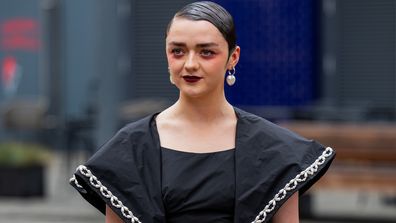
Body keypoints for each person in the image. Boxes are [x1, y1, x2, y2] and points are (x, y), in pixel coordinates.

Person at [69, 1, 335, 223]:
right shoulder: (130, 149)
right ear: (166, 55)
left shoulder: (276, 151)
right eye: (178, 51)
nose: (190, 64)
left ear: (233, 57)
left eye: (206, 52)